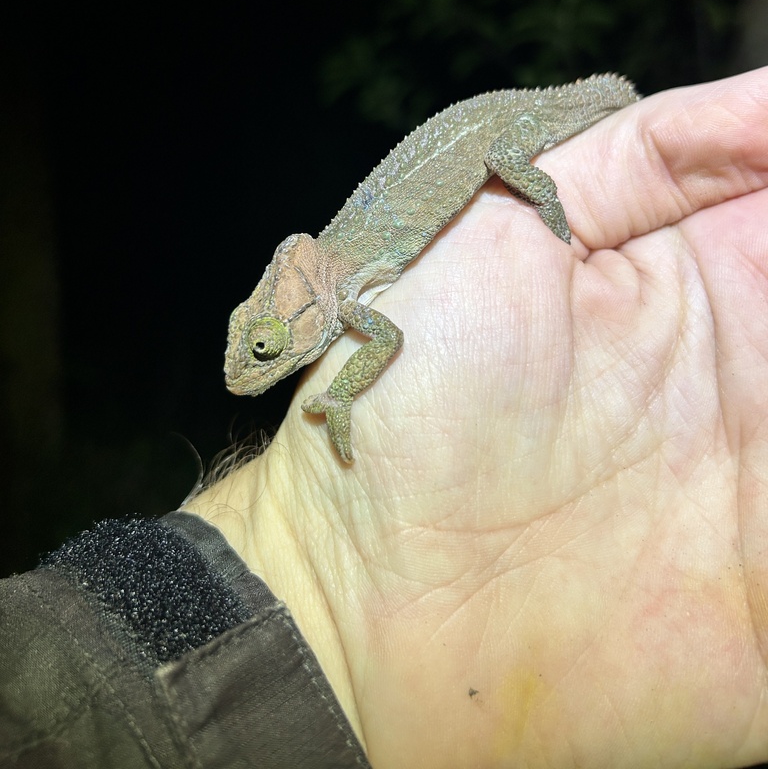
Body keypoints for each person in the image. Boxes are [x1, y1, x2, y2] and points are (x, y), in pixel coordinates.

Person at [2, 67, 767, 768]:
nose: (253, 369)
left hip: (501, 129)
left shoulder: (344, 289)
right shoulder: (331, 280)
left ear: (304, 319)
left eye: (266, 348)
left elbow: (392, 335)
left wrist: (542, 197)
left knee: (544, 138)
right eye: (257, 343)